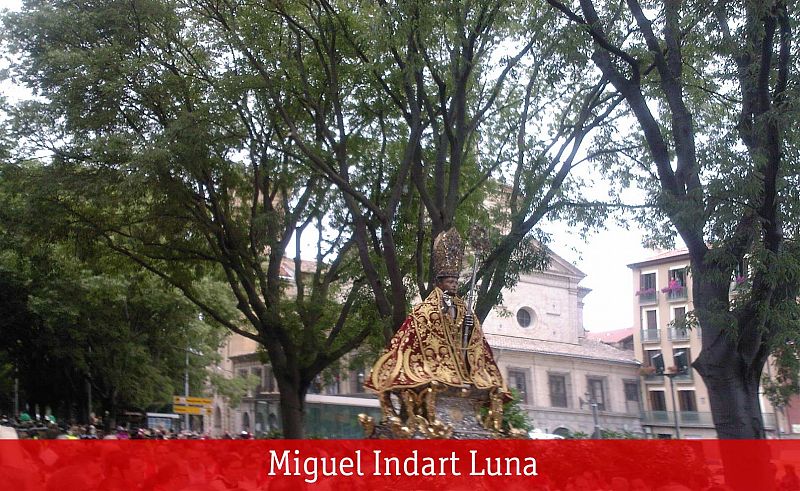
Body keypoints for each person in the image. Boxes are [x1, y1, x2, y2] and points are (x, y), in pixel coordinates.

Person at [365, 227, 507, 397]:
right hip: (434, 364)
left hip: (460, 364)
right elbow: (418, 335)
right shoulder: (425, 310)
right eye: (450, 281)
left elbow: (469, 339)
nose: (454, 284)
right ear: (439, 284)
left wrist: (468, 329)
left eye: (455, 281)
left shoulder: (464, 309)